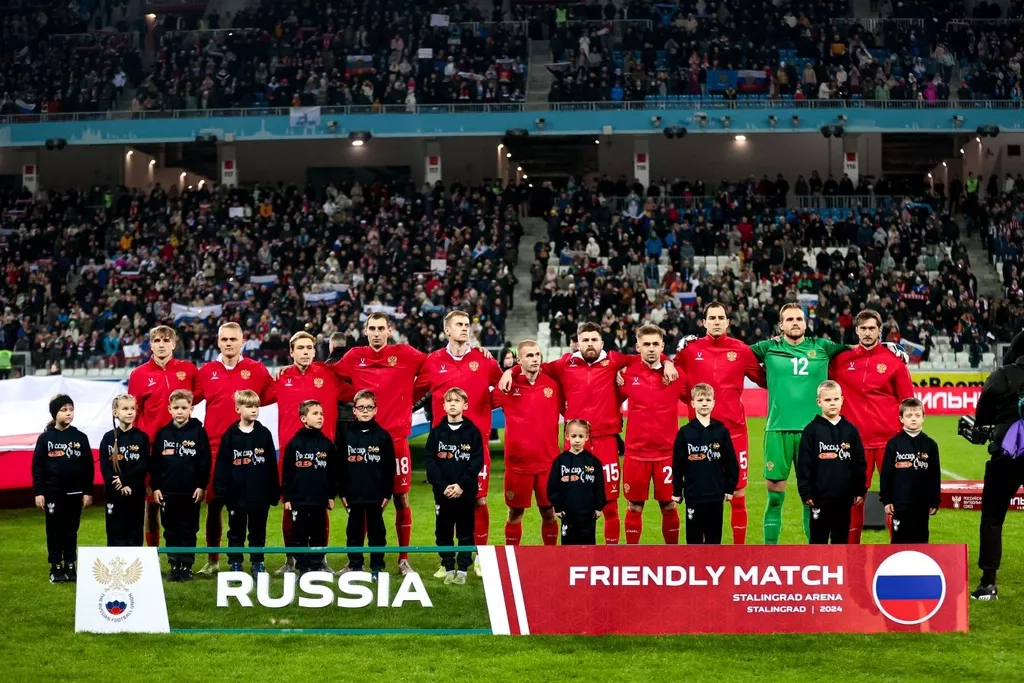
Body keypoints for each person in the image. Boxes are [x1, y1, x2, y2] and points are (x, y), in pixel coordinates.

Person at [499, 321, 677, 545]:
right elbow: (533, 365)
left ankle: (611, 555)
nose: (590, 344)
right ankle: (571, 555)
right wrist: (511, 371)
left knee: (610, 505)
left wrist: (667, 362)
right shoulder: (564, 364)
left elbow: (647, 354)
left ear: (601, 343)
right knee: (570, 504)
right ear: (577, 343)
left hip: (606, 442)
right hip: (574, 444)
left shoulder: (614, 360)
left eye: (594, 340)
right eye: (585, 340)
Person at [748, 303, 903, 544]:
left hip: (814, 434)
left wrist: (885, 347)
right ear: (781, 325)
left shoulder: (822, 346)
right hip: (778, 429)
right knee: (775, 496)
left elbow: (857, 348)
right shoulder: (768, 347)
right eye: (790, 319)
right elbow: (736, 356)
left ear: (806, 323)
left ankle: (814, 554)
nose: (795, 323)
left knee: (812, 499)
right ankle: (770, 553)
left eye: (799, 319)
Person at [334, 312, 427, 576]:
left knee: (401, 498)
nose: (376, 333)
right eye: (372, 328)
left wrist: (409, 395)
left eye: (381, 328)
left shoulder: (405, 354)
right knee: (361, 502)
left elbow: (434, 365)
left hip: (396, 440)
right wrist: (351, 394)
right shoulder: (354, 357)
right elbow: (331, 374)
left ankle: (403, 559)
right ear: (365, 331)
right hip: (364, 441)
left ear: (389, 330)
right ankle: (355, 562)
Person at [416, 311, 501, 576]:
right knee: (445, 502)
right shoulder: (433, 361)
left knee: (478, 500)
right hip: (443, 446)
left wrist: (485, 410)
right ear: (446, 329)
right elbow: (414, 392)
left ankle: (480, 557)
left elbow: (502, 387)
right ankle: (447, 562)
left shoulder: (483, 359)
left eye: (467, 325)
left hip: (475, 444)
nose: (465, 328)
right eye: (459, 325)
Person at [674, 302, 765, 544]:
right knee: (701, 494)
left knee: (738, 493)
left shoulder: (741, 350)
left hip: (735, 433)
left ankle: (738, 551)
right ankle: (703, 553)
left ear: (728, 322)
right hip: (699, 436)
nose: (716, 321)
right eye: (712, 318)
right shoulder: (690, 351)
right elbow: (675, 381)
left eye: (721, 317)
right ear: (704, 322)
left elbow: (764, 379)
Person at [269, 331, 354, 575]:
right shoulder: (282, 378)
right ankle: (291, 560)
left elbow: (354, 391)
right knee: (289, 506)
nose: (305, 352)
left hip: (322, 456)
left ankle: (320, 559)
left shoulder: (327, 374)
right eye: (300, 348)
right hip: (291, 456)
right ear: (291, 352)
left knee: (321, 507)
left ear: (315, 351)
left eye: (309, 348)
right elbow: (257, 398)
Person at [830, 309, 915, 543]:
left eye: (872, 328)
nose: (867, 333)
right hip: (855, 443)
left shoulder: (894, 362)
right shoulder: (840, 360)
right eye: (863, 328)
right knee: (854, 499)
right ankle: (850, 554)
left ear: (880, 331)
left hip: (890, 441)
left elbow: (907, 402)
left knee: (895, 499)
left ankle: (898, 552)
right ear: (856, 330)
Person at [194, 322, 273, 575]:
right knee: (214, 504)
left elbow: (274, 393)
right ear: (218, 342)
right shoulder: (206, 371)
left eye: (233, 339)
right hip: (214, 448)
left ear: (242, 342)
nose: (228, 343)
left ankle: (254, 559)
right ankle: (213, 559)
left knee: (252, 505)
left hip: (248, 448)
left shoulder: (257, 369)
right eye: (224, 339)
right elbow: (188, 399)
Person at [127, 325, 200, 549]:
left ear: (174, 344)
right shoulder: (139, 374)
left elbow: (200, 394)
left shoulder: (188, 370)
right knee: (151, 504)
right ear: (150, 345)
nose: (161, 344)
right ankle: (152, 554)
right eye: (157, 340)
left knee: (181, 502)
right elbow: (133, 411)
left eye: (166, 340)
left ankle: (180, 554)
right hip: (151, 449)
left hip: (183, 448)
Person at [618, 325, 687, 544]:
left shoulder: (675, 375)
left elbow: (696, 400)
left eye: (655, 344)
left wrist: (669, 362)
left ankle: (672, 554)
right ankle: (631, 555)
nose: (651, 348)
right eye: (646, 344)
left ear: (662, 347)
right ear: (637, 347)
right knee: (634, 506)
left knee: (669, 505)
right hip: (636, 454)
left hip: (667, 454)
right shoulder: (627, 373)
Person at [494, 340, 563, 546]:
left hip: (548, 464)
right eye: (529, 356)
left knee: (549, 512)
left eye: (537, 354)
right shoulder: (508, 386)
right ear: (519, 360)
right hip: (517, 465)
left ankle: (551, 556)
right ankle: (511, 556)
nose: (535, 359)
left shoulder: (553, 384)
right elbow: (480, 405)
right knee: (515, 513)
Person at [971, 351, 1024, 600]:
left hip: (1007, 451)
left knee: (993, 517)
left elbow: (982, 416)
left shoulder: (1001, 375)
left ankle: (988, 583)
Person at [213, 390, 279, 577]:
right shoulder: (230, 435)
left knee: (258, 531)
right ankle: (235, 562)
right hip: (236, 496)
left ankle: (258, 562)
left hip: (259, 496)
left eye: (256, 406)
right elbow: (223, 465)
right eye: (249, 406)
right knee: (236, 531)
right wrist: (222, 492)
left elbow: (271, 466)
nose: (254, 410)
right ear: (238, 409)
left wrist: (273, 492)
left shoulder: (264, 434)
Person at [424, 388, 484, 585]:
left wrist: (460, 485)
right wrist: (443, 486)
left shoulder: (473, 432)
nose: (452, 404)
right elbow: (430, 461)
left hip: (464, 492)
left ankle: (463, 570)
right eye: (449, 401)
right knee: (443, 531)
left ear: (465, 405)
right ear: (443, 406)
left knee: (466, 531)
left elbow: (476, 462)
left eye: (457, 401)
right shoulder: (436, 432)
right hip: (443, 493)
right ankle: (448, 567)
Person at [796, 381, 867, 545]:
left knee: (840, 540)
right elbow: (804, 464)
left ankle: (840, 563)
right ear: (819, 402)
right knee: (818, 541)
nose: (832, 403)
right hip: (819, 497)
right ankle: (817, 563)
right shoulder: (811, 431)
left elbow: (859, 462)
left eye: (836, 399)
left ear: (842, 400)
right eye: (827, 400)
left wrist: (859, 489)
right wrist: (806, 492)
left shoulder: (850, 430)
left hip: (844, 497)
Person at [151, 389, 211, 582]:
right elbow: (155, 463)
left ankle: (186, 566)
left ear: (191, 409)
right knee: (170, 530)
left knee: (189, 529)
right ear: (169, 409)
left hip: (191, 492)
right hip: (168, 492)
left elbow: (205, 461)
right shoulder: (163, 434)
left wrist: (201, 486)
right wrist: (156, 487)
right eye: (176, 407)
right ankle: (174, 564)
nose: (180, 411)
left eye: (184, 408)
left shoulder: (199, 432)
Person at [32, 394, 93, 583]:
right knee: (54, 530)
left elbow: (88, 467)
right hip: (53, 493)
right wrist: (39, 492)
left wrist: (88, 491)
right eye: (63, 410)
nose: (69, 413)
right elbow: (37, 467)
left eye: (71, 409)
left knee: (71, 530)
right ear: (54, 413)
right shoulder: (45, 438)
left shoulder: (80, 437)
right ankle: (56, 566)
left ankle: (70, 564)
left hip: (75, 493)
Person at [337, 390, 395, 578]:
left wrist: (387, 493)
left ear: (375, 410)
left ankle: (377, 566)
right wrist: (342, 492)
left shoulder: (383, 436)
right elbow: (340, 465)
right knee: (353, 530)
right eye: (361, 407)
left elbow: (389, 468)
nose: (365, 411)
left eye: (369, 407)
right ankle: (355, 565)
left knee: (377, 531)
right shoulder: (345, 435)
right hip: (353, 493)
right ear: (354, 410)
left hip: (375, 493)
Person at [672, 383, 739, 545]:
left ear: (713, 403)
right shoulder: (685, 432)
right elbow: (677, 464)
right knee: (693, 540)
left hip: (716, 494)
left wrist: (729, 488)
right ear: (692, 403)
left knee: (714, 540)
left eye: (708, 400)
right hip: (693, 494)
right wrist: (677, 490)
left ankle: (714, 561)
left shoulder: (721, 431)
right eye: (700, 400)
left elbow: (731, 462)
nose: (704, 403)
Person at [280, 400, 338, 574]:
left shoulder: (327, 444)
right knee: (299, 535)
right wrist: (287, 497)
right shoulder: (294, 444)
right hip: (299, 500)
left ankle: (316, 566)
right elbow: (287, 472)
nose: (320, 417)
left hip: (319, 500)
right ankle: (302, 568)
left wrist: (331, 495)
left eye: (321, 414)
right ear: (303, 418)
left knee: (318, 535)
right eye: (315, 413)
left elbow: (333, 473)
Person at [879, 398, 940, 544]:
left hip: (921, 503)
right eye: (909, 415)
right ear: (901, 418)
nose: (913, 419)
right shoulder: (894, 444)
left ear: (923, 417)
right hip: (900, 503)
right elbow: (886, 474)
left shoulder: (930, 444)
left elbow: (935, 475)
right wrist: (887, 500)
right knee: (899, 541)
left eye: (917, 415)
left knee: (921, 541)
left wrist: (934, 500)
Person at [99, 394, 149, 547]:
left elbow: (144, 465)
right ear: (115, 412)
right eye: (125, 409)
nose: (130, 412)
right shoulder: (108, 438)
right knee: (115, 534)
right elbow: (105, 466)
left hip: (135, 494)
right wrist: (119, 484)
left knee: (134, 534)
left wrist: (126, 480)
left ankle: (135, 563)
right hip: (113, 495)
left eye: (132, 408)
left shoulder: (142, 437)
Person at [547, 419, 606, 545]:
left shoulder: (593, 461)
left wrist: (599, 506)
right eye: (574, 436)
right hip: (567, 514)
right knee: (568, 548)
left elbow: (599, 486)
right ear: (567, 436)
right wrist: (558, 506)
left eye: (581, 436)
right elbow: (553, 486)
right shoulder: (560, 461)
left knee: (588, 547)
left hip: (588, 514)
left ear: (587, 437)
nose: (577, 440)